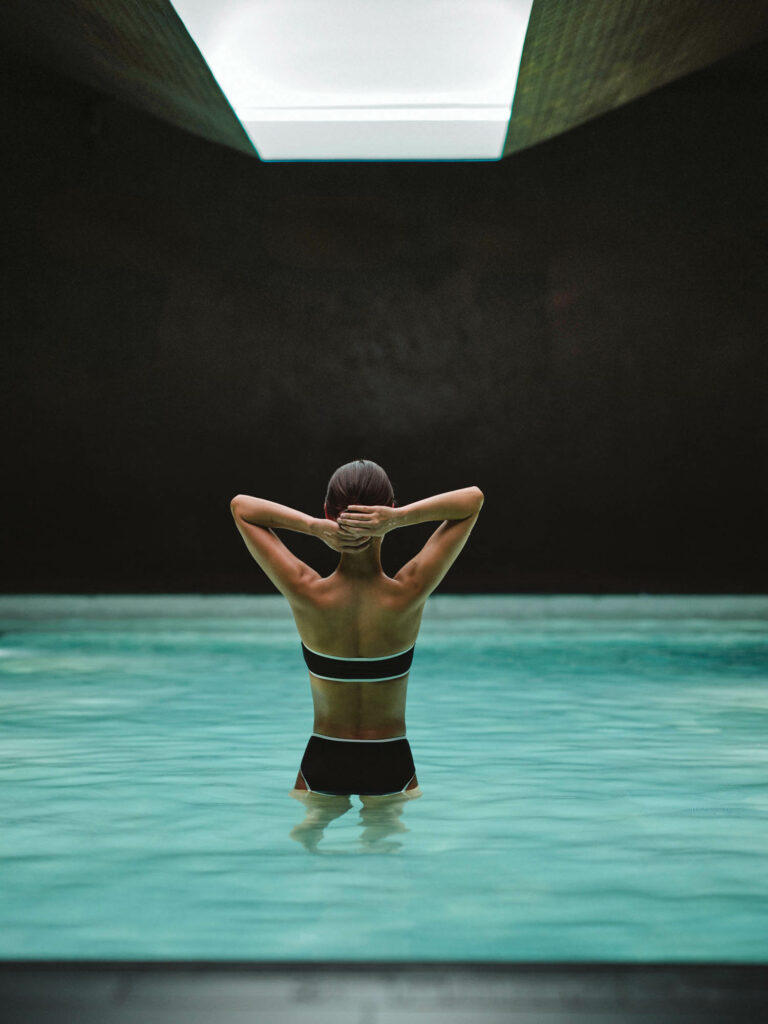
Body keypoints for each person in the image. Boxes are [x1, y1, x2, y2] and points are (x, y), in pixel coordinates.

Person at [229, 458, 483, 805]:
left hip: (324, 755)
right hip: (391, 757)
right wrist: (398, 520)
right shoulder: (409, 592)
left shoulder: (306, 592)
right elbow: (472, 500)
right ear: (390, 508)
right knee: (389, 851)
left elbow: (241, 507)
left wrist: (313, 527)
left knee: (306, 848)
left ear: (327, 511)